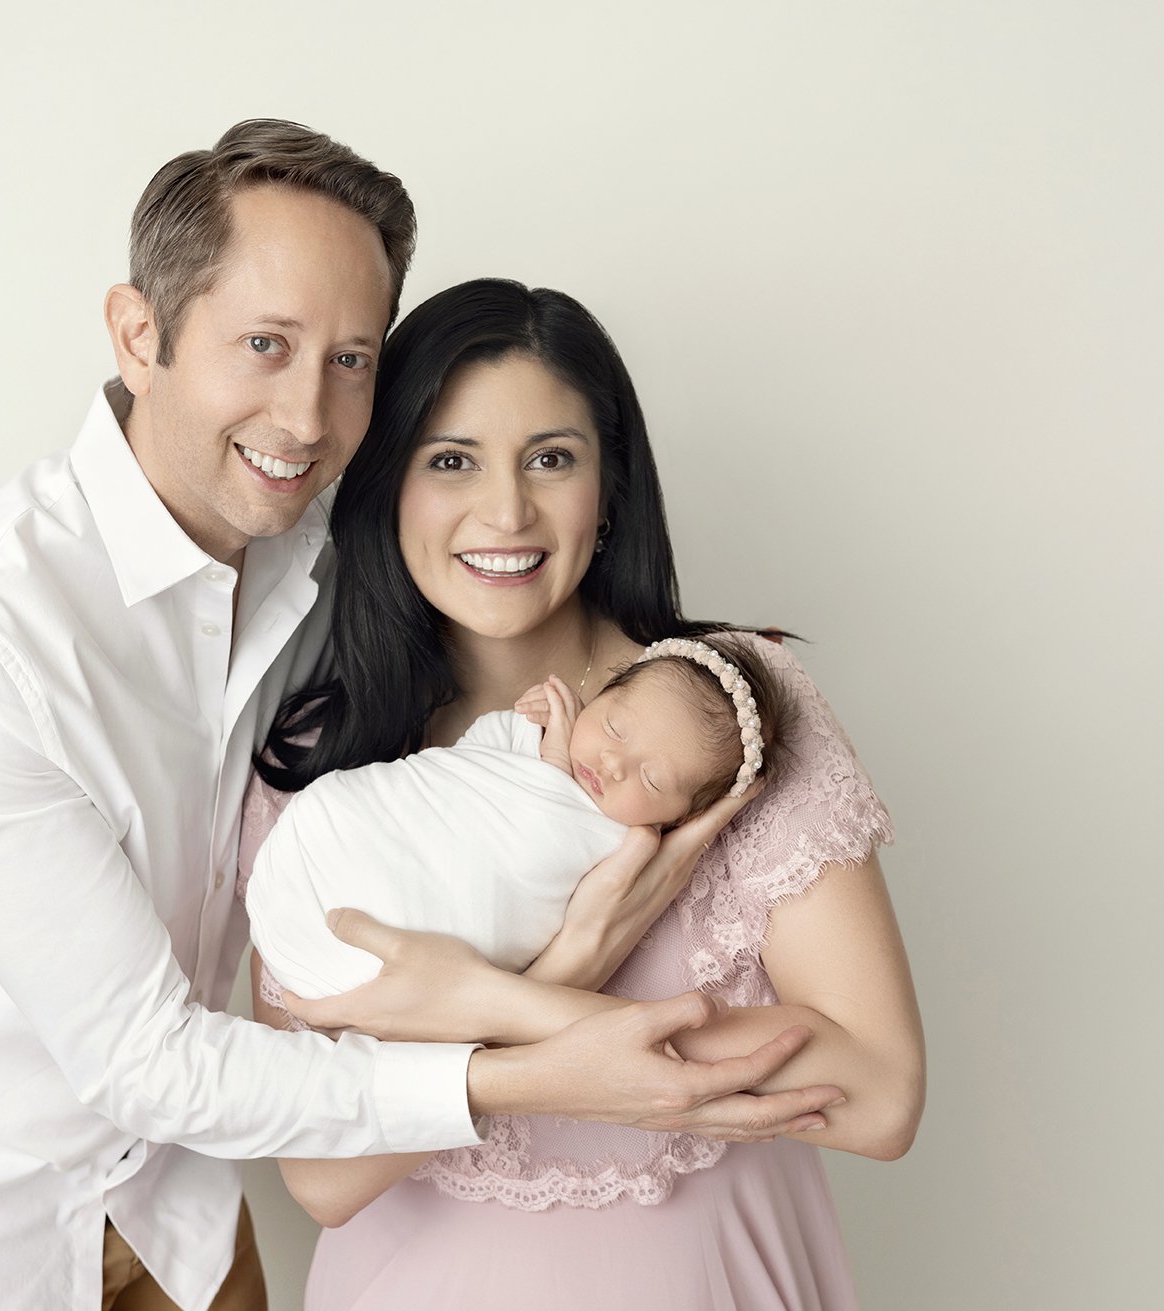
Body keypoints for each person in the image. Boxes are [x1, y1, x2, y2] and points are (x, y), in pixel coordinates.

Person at [0, 125, 845, 1311]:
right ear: (138, 334)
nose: (308, 416)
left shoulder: (323, 550)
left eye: (349, 359)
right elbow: (147, 1062)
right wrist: (530, 1058)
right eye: (264, 345)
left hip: (170, 1195)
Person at [241, 278, 925, 1309]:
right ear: (387, 488)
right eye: (451, 460)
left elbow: (880, 1096)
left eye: (551, 458)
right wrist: (573, 969)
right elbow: (323, 1177)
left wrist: (484, 1011)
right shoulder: (317, 759)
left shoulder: (732, 711)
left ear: (608, 491)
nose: (506, 511)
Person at [246, 633, 785, 999]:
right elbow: (460, 773)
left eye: (653, 780)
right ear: (599, 694)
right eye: (614, 728)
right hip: (325, 848)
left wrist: (553, 772)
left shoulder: (624, 848)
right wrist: (528, 735)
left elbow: (543, 853)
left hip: (407, 952)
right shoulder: (534, 735)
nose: (613, 763)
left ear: (682, 819)